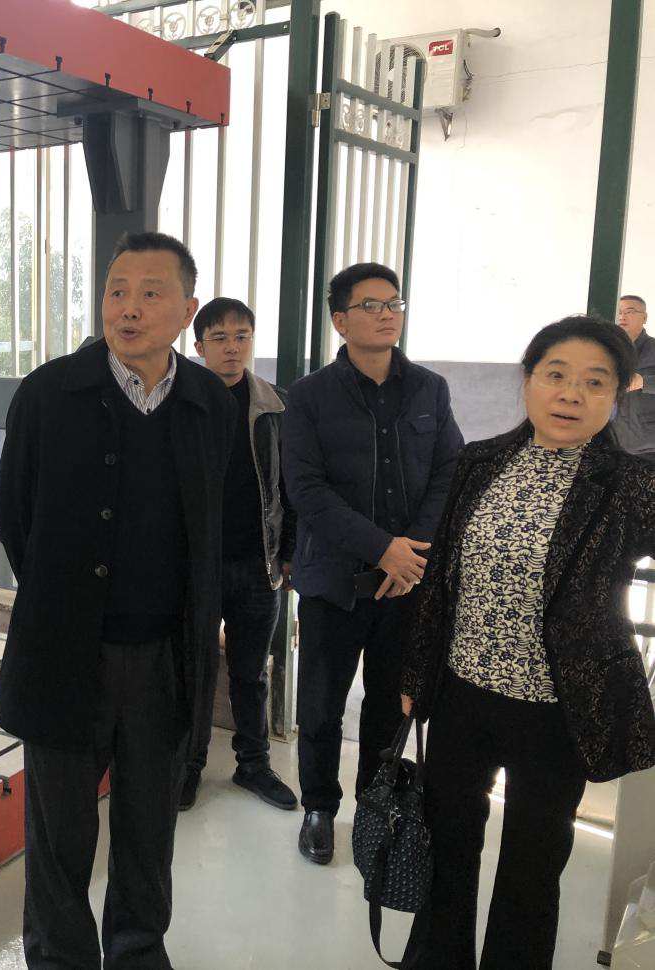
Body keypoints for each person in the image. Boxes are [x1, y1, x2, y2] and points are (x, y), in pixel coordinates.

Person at [0, 231, 234, 970]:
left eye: (150, 293)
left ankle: (137, 951)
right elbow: (15, 514)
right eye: (116, 291)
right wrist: (65, 602)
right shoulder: (49, 393)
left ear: (187, 309)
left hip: (165, 655)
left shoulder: (208, 402)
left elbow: (212, 526)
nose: (128, 308)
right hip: (67, 651)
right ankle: (58, 958)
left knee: (149, 827)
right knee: (59, 834)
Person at [400, 316, 655, 969]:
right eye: (556, 375)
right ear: (529, 380)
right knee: (446, 847)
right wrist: (417, 674)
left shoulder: (630, 485)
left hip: (558, 711)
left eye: (594, 382)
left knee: (532, 868)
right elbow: (443, 576)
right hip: (462, 697)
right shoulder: (481, 460)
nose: (571, 394)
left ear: (617, 394)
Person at [281, 262, 463, 864]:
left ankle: (374, 807)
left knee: (389, 703)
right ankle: (318, 807)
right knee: (321, 706)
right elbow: (307, 490)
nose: (387, 314)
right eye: (371, 305)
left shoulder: (429, 389)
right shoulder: (307, 396)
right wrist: (381, 547)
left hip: (406, 583)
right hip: (333, 582)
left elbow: (449, 472)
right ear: (340, 320)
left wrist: (408, 553)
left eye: (394, 303)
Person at [179, 297, 298, 812]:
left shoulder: (276, 407)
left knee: (251, 672)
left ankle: (254, 764)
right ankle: (189, 766)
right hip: (196, 568)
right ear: (199, 346)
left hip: (257, 564)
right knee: (196, 671)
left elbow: (292, 487)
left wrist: (289, 551)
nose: (232, 348)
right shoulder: (181, 405)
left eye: (242, 336)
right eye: (220, 338)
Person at [609, 295, 655, 456]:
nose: (622, 316)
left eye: (629, 311)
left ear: (645, 317)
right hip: (609, 441)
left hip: (648, 445)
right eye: (619, 312)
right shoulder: (605, 350)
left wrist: (643, 382)